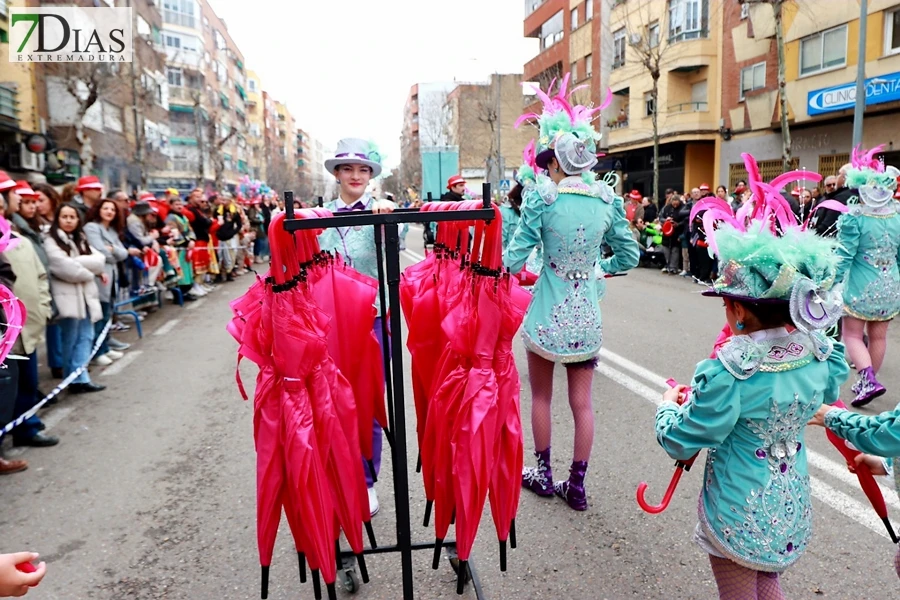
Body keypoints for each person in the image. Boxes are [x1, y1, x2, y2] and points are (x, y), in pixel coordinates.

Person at [655, 177, 849, 599]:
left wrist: (667, 408)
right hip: (788, 499)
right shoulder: (820, 352)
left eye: (726, 304)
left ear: (739, 310)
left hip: (738, 506)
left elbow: (688, 437)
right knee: (768, 583)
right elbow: (830, 387)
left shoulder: (731, 370)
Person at [505, 77, 639, 511]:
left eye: (548, 163)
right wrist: (600, 269)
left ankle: (543, 475)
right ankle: (577, 485)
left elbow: (513, 259)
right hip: (586, 315)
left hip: (546, 310)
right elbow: (630, 254)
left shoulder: (542, 198)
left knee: (541, 396)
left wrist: (523, 269)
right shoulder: (606, 199)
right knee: (582, 403)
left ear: (557, 164)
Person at [319, 137, 395, 517]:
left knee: (367, 405)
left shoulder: (382, 212)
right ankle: (337, 477)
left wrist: (386, 217)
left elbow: (390, 259)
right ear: (336, 174)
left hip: (372, 320)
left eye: (362, 169)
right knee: (332, 403)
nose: (354, 175)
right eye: (347, 168)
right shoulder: (320, 219)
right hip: (330, 325)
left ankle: (366, 482)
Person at [833, 147, 900, 407]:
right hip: (891, 284)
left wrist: (831, 281)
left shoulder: (855, 218)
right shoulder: (897, 216)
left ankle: (868, 380)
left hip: (862, 284)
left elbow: (845, 255)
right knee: (879, 336)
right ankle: (868, 381)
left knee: (851, 334)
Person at [1, 182, 57, 448]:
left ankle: (26, 427)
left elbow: (40, 276)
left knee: (26, 383)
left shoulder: (20, 236)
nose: (20, 200)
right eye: (14, 195)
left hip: (27, 327)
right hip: (5, 332)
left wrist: (43, 308)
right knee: (5, 389)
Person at [43, 204, 107, 394]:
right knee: (70, 338)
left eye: (72, 217)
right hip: (67, 297)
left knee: (86, 336)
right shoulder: (50, 240)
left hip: (86, 296)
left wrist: (79, 265)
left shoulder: (81, 238)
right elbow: (62, 267)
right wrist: (90, 272)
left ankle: (82, 376)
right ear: (58, 219)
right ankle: (70, 377)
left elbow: (100, 259)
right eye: (64, 216)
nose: (69, 220)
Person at [85, 199, 138, 365]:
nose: (109, 212)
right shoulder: (92, 227)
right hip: (100, 276)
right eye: (105, 208)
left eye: (113, 210)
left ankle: (105, 347)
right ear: (98, 210)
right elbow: (101, 253)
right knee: (99, 314)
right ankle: (97, 352)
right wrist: (115, 252)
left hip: (112, 274)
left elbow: (123, 253)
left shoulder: (113, 231)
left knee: (107, 313)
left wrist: (114, 249)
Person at [165, 196, 198, 301]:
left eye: (180, 204)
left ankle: (186, 291)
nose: (179, 206)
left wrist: (192, 239)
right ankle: (179, 294)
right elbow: (174, 233)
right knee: (179, 271)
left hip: (186, 247)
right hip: (178, 248)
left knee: (187, 270)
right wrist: (187, 241)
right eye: (176, 204)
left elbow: (190, 229)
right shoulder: (170, 218)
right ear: (171, 206)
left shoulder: (184, 217)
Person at [658, 194, 688, 274]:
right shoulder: (666, 208)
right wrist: (665, 220)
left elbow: (685, 220)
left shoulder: (683, 208)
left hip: (677, 231)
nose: (675, 205)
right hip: (666, 231)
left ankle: (673, 267)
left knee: (675, 250)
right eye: (673, 203)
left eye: (676, 203)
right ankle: (667, 265)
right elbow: (660, 217)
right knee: (666, 249)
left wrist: (678, 224)